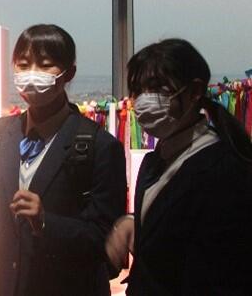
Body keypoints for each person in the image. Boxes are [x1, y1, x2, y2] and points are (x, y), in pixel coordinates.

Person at [0, 24, 126, 296]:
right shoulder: (1, 134)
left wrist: (46, 222)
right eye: (23, 64)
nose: (31, 73)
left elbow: (107, 240)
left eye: (45, 65)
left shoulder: (101, 146)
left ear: (68, 73)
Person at [105, 39, 252, 295]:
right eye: (137, 90)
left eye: (156, 88)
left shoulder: (224, 170)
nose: (143, 100)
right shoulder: (153, 163)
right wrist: (135, 225)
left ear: (194, 91)